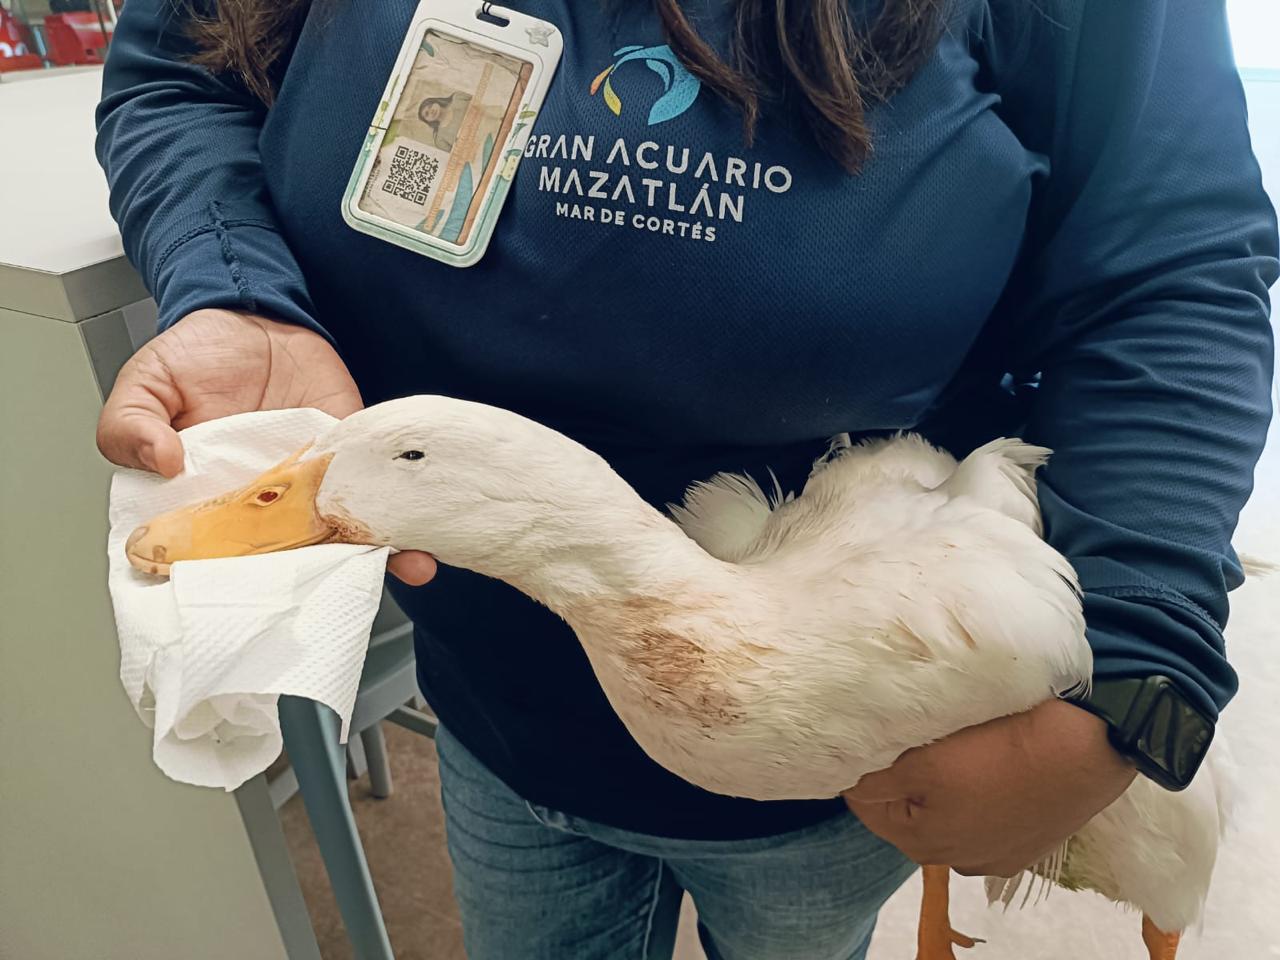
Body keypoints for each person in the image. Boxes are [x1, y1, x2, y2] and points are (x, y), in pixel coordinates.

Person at [94, 1, 1277, 958]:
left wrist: (1133, 678)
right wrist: (230, 279)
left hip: (837, 762)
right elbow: (180, 72)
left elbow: (1171, 268)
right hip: (487, 693)